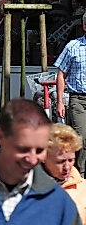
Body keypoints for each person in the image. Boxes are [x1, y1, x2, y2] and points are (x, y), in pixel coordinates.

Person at [55, 12, 86, 173]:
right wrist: (60, 101)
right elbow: (61, 73)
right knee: (81, 136)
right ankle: (79, 173)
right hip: (79, 99)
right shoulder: (73, 46)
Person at [43, 123, 86, 223]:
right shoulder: (28, 187)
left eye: (71, 160)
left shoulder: (83, 188)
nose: (67, 167)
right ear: (44, 157)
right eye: (60, 161)